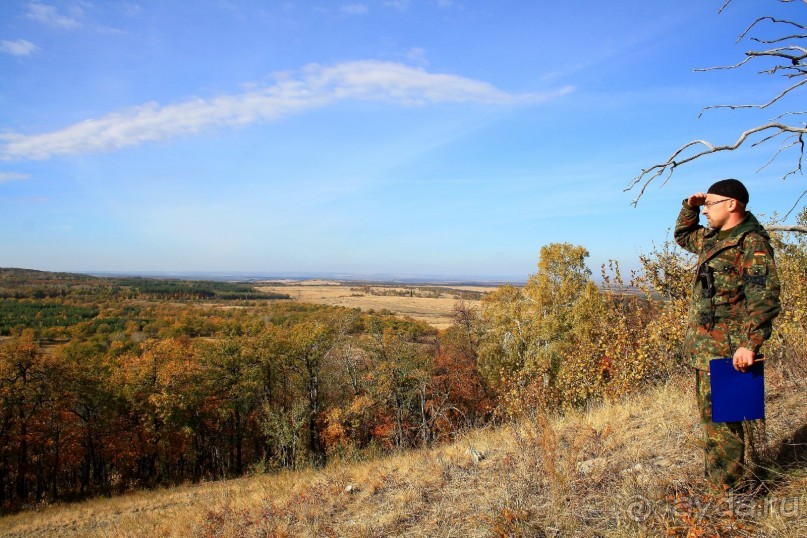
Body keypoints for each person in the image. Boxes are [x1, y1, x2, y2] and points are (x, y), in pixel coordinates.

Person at [674, 178, 781, 490]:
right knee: (713, 422)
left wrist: (751, 343)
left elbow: (764, 297)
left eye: (711, 203)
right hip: (707, 348)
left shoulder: (751, 243)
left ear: (732, 204)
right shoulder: (715, 238)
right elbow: (683, 236)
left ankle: (728, 496)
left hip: (730, 350)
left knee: (725, 422)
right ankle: (720, 488)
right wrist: (689, 207)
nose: (706, 210)